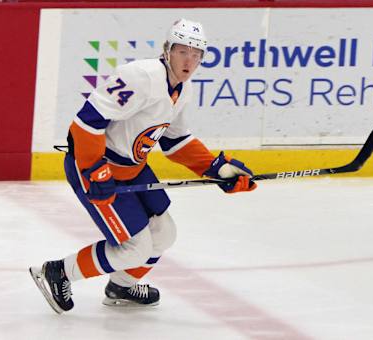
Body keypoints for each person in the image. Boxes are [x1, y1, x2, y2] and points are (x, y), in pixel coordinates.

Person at [29, 18, 257, 313]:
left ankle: (121, 285)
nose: (189, 61)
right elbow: (87, 122)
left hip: (133, 170)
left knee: (164, 234)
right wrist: (95, 170)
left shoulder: (182, 89)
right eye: (182, 51)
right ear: (167, 50)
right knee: (135, 248)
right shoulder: (141, 77)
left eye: (196, 54)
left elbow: (175, 142)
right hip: (97, 168)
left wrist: (217, 168)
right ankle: (57, 272)